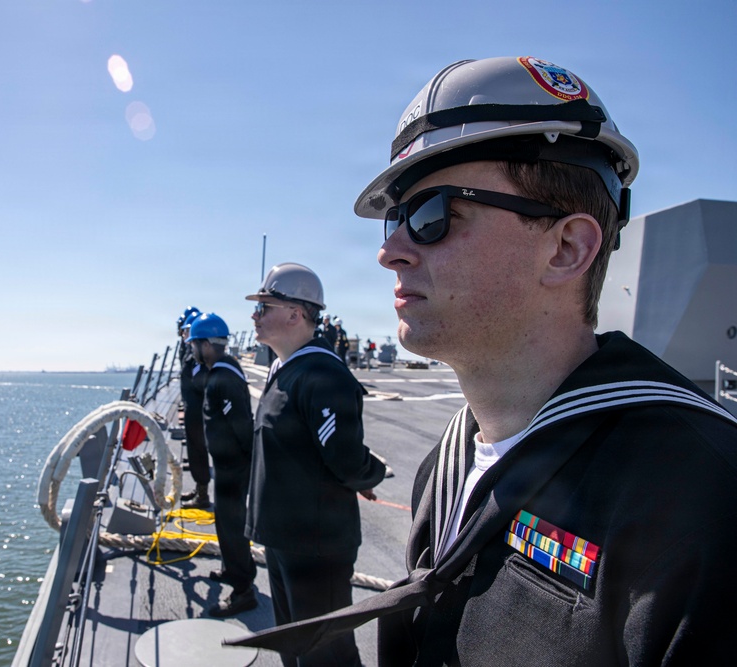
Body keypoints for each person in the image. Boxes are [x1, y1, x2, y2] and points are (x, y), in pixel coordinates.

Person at [227, 56, 737, 665]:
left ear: (567, 248)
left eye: (432, 215)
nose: (390, 251)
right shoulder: (448, 463)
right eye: (395, 219)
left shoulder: (707, 504)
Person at [245, 262, 386, 667]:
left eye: (264, 306)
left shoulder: (321, 374)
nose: (254, 316)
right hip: (284, 536)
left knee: (327, 654)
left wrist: (368, 475)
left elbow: (343, 456)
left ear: (295, 313)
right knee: (294, 644)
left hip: (315, 544)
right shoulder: (282, 369)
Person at [186, 312, 258, 617]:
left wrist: (247, 468)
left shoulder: (223, 379)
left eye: (194, 344)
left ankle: (244, 590)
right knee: (224, 525)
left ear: (206, 345)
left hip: (233, 468)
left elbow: (242, 426)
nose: (191, 350)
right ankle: (231, 569)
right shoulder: (221, 371)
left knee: (232, 527)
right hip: (226, 467)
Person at [177, 308, 211, 509]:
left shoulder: (199, 358)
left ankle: (203, 495)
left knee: (199, 450)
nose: (183, 335)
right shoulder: (191, 354)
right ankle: (200, 489)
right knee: (195, 450)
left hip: (198, 412)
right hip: (192, 410)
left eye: (185, 331)